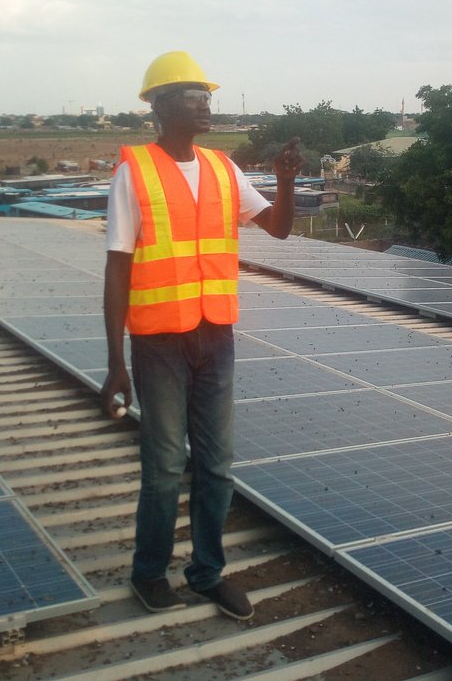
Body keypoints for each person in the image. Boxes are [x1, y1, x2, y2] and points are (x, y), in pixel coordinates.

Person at [101, 50, 303, 619]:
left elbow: (280, 229)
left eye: (207, 94)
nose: (205, 103)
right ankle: (149, 573)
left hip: (215, 336)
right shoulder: (133, 172)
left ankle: (208, 573)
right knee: (166, 465)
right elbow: (118, 267)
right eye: (192, 95)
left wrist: (286, 182)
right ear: (161, 106)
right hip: (159, 341)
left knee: (218, 464)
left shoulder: (223, 169)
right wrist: (115, 362)